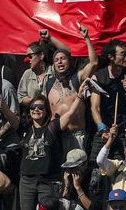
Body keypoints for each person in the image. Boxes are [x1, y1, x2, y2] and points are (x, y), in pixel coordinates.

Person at [19, 82, 88, 210]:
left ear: (46, 111)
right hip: (27, 181)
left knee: (50, 206)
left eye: (40, 107)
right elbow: (8, 115)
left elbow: (70, 113)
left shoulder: (52, 127)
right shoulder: (24, 127)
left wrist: (79, 96)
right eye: (33, 106)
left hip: (48, 180)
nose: (36, 109)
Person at [44, 25, 98, 155]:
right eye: (56, 60)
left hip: (76, 136)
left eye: (63, 58)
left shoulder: (77, 78)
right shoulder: (49, 82)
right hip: (56, 136)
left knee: (77, 167)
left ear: (70, 61)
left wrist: (86, 38)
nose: (59, 62)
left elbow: (94, 63)